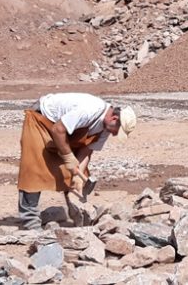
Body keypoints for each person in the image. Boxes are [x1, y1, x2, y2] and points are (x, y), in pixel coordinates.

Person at [17, 92, 136, 229]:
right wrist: (68, 158)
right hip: (42, 119)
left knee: (79, 173)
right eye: (117, 130)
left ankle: (78, 216)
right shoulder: (90, 110)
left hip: (62, 129)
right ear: (114, 118)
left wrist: (77, 174)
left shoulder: (105, 128)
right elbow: (58, 129)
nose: (115, 134)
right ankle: (30, 222)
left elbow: (86, 149)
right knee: (34, 169)